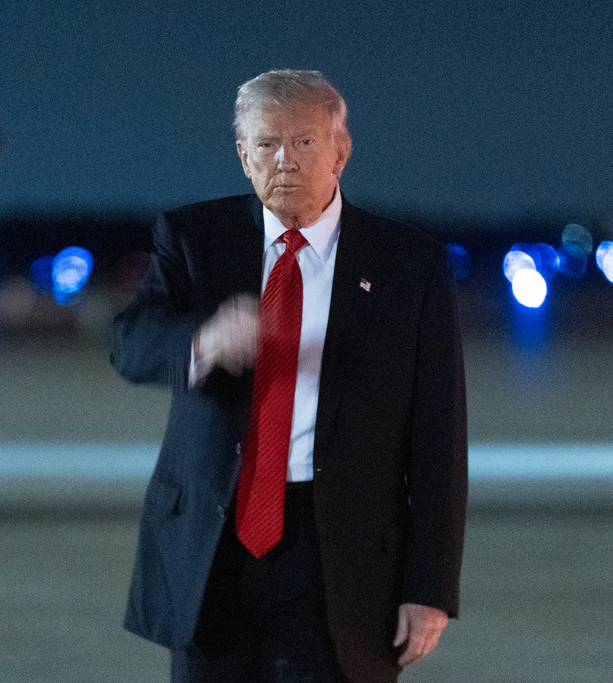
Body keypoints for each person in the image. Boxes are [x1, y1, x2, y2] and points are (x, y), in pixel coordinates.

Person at [111, 69, 467, 682]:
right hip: (215, 551)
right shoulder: (195, 239)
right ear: (243, 156)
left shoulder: (407, 264)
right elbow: (130, 344)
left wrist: (429, 586)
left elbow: (439, 440)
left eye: (304, 142)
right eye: (268, 144)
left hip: (343, 554)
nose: (286, 160)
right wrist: (202, 339)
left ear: (341, 152)